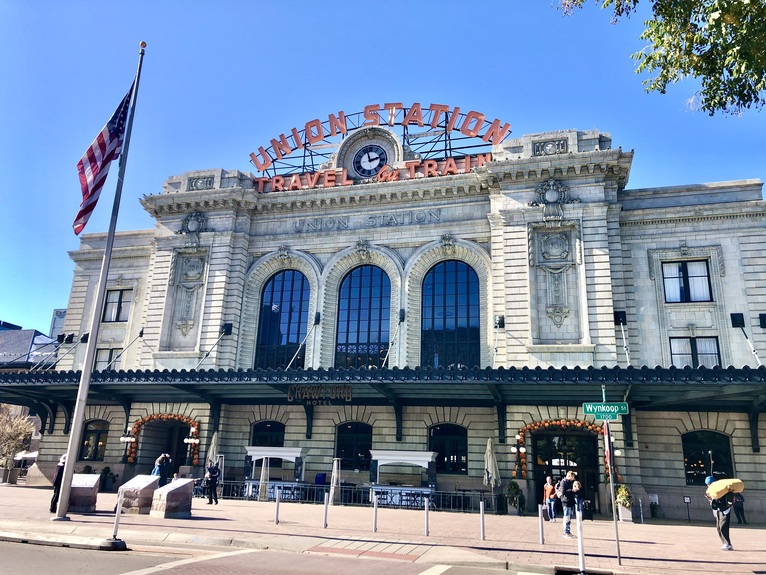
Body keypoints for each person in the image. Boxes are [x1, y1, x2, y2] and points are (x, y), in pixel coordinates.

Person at [705, 475, 734, 551]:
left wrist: (729, 504)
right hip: (718, 510)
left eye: (708, 484)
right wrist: (710, 500)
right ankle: (726, 543)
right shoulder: (713, 491)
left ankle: (727, 544)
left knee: (723, 526)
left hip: (724, 509)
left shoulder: (722, 490)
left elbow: (729, 497)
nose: (708, 486)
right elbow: (715, 502)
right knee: (718, 527)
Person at [559, 471, 576, 538]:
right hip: (566, 502)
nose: (573, 478)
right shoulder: (563, 482)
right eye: (572, 477)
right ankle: (566, 532)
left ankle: (568, 531)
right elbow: (563, 492)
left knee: (569, 517)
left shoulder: (570, 482)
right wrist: (572, 490)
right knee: (566, 517)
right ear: (569, 476)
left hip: (571, 502)